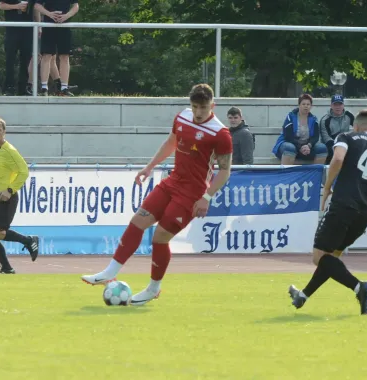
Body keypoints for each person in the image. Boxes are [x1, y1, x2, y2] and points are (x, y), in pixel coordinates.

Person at [81, 84, 233, 305]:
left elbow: (225, 171)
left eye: (203, 107)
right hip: (171, 182)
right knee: (137, 221)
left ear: (213, 105)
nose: (198, 112)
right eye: (194, 106)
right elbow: (171, 142)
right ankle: (110, 272)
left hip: (192, 194)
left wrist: (206, 197)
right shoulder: (182, 117)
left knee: (160, 237)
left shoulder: (220, 133)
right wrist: (150, 166)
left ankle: (153, 288)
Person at [287, 109, 367, 315]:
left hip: (344, 204)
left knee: (319, 257)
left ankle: (359, 287)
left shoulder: (347, 136)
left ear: (356, 126)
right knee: (332, 257)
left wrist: (327, 187)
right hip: (365, 213)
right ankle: (303, 296)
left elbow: (337, 159)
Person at [0, 118, 39, 274]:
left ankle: (29, 240)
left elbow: (24, 171)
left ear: (4, 132)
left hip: (7, 197)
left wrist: (10, 190)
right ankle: (6, 268)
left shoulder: (9, 150)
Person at [34, 0, 79, 96]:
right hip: (48, 26)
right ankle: (44, 87)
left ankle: (64, 87)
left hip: (65, 26)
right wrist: (49, 14)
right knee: (47, 55)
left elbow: (76, 6)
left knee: (65, 56)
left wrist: (66, 16)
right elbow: (37, 5)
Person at [272, 93, 328, 165]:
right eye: (303, 104)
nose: (306, 106)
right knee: (290, 147)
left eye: (308, 104)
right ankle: (287, 174)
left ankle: (315, 174)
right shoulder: (290, 117)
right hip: (290, 145)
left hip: (306, 148)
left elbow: (315, 137)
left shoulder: (314, 119)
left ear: (311, 106)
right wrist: (300, 147)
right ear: (299, 105)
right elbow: (288, 136)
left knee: (322, 148)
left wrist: (308, 146)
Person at [0, 0, 34, 95]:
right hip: (12, 29)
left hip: (28, 29)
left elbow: (37, 8)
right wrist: (16, 6)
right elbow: (1, 5)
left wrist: (38, 26)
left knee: (26, 59)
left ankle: (23, 88)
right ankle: (9, 87)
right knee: (10, 59)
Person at [319, 94, 354, 164]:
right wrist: (338, 146)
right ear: (331, 106)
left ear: (343, 105)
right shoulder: (325, 120)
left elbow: (356, 129)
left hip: (346, 141)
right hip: (331, 144)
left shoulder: (349, 116)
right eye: (335, 105)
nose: (338, 107)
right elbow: (326, 138)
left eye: (340, 104)